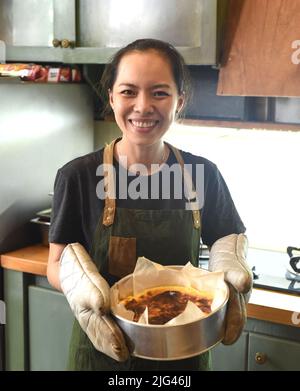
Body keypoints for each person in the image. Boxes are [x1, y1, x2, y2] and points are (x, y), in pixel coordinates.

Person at [47, 38, 252, 371]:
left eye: (159, 92)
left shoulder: (203, 175)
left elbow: (227, 240)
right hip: (104, 350)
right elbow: (55, 263)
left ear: (179, 101)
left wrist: (232, 267)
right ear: (111, 97)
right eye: (128, 91)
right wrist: (81, 290)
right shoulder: (78, 176)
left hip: (184, 349)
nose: (143, 106)